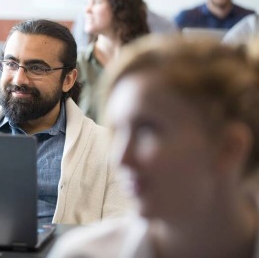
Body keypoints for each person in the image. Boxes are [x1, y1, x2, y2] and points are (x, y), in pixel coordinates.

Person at [48, 36, 259, 258]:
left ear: (229, 148)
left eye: (147, 130)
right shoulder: (82, 254)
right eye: (118, 131)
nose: (121, 158)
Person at [0, 19, 130, 225]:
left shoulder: (109, 147)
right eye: (11, 64)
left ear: (68, 80)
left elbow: (121, 232)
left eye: (36, 68)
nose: (19, 79)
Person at [77, 0, 150, 121]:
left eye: (96, 2)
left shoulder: (148, 64)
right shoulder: (76, 64)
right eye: (87, 2)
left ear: (121, 6)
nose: (87, 10)